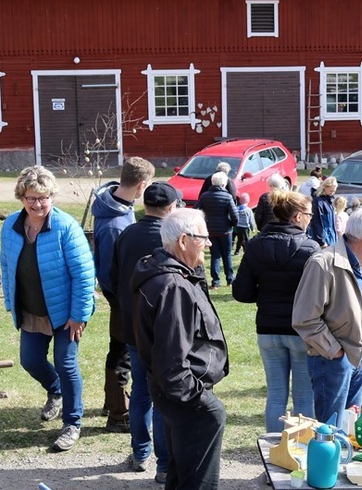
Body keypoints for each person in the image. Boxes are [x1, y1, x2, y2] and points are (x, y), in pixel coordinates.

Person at [131, 208, 230, 490]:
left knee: (181, 471)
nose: (210, 244)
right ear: (184, 241)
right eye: (204, 238)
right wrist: (201, 401)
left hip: (173, 393)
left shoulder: (170, 274)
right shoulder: (173, 286)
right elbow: (172, 361)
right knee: (197, 480)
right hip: (185, 397)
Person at [0, 165, 95, 452]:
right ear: (21, 197)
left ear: (52, 197)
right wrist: (10, 302)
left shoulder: (65, 227)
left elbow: (84, 274)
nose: (37, 204)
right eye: (31, 198)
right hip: (31, 310)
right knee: (30, 360)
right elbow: (6, 265)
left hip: (66, 314)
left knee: (66, 364)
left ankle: (72, 423)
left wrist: (79, 315)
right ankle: (55, 391)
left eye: (43, 198)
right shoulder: (11, 226)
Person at [292, 206, 362, 424]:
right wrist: (335, 351)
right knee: (330, 427)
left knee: (350, 424)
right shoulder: (323, 263)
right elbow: (304, 318)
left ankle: (344, 459)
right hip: (333, 359)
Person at [233, 190, 321, 432]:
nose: (311, 218)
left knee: (276, 395)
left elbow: (241, 292)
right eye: (308, 214)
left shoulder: (255, 245)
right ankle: (301, 455)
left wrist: (267, 294)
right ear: (296, 217)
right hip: (301, 330)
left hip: (268, 329)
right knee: (304, 397)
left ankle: (274, 454)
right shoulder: (311, 248)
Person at [111, 182, 180, 481]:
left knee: (141, 390)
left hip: (132, 324)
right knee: (162, 393)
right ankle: (163, 463)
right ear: (170, 208)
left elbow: (111, 276)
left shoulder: (127, 233)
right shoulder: (173, 237)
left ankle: (140, 452)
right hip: (164, 328)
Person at [92, 156, 154, 434]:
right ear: (141, 185)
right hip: (120, 295)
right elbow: (108, 269)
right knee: (122, 352)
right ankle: (118, 413)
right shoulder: (116, 224)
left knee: (118, 348)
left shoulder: (118, 204)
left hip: (122, 292)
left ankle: (111, 401)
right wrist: (123, 297)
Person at [196, 171, 238, 288]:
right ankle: (230, 279)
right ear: (224, 184)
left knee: (215, 256)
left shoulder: (204, 196)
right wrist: (231, 225)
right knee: (227, 255)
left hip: (211, 231)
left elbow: (196, 210)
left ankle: (215, 282)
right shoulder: (228, 197)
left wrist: (203, 223)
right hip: (225, 231)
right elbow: (235, 215)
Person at [308, 176, 338, 248]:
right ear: (324, 187)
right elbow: (317, 222)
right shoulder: (318, 202)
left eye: (334, 191)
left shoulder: (329, 200)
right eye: (331, 191)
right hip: (323, 239)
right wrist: (321, 241)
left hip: (331, 236)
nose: (332, 193)